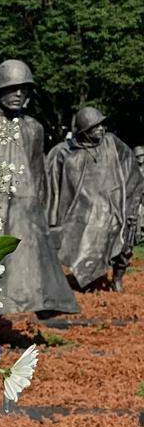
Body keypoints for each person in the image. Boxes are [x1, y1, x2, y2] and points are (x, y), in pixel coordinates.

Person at [0, 60, 77, 320]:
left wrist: (44, 211)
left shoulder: (34, 128)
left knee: (29, 262)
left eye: (24, 90)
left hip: (26, 207)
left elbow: (39, 171)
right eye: (12, 88)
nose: (18, 94)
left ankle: (43, 303)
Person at [47, 107, 138, 291]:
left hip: (114, 208)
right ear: (84, 130)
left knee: (123, 245)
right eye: (95, 127)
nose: (101, 129)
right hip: (84, 213)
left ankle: (117, 279)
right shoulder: (65, 152)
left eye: (102, 125)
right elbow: (52, 187)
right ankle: (89, 283)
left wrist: (130, 200)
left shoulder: (112, 143)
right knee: (86, 249)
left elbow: (131, 168)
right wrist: (52, 219)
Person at [110, 144, 144, 292]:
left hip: (136, 213)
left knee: (127, 248)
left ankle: (117, 279)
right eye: (137, 157)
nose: (140, 160)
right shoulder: (125, 172)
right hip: (121, 211)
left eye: (142, 157)